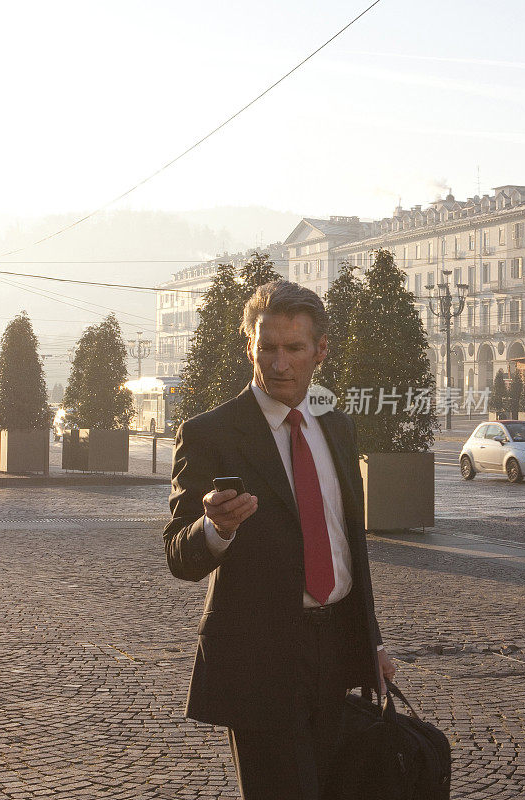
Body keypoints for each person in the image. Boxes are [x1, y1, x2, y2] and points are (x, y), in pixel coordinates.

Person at [164, 280, 396, 800]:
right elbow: (179, 553)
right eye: (267, 347)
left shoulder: (337, 428)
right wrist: (215, 530)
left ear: (320, 352)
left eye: (294, 348)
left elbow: (348, 548)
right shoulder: (210, 433)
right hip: (260, 658)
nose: (279, 363)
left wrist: (371, 641)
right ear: (250, 346)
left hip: (337, 649)